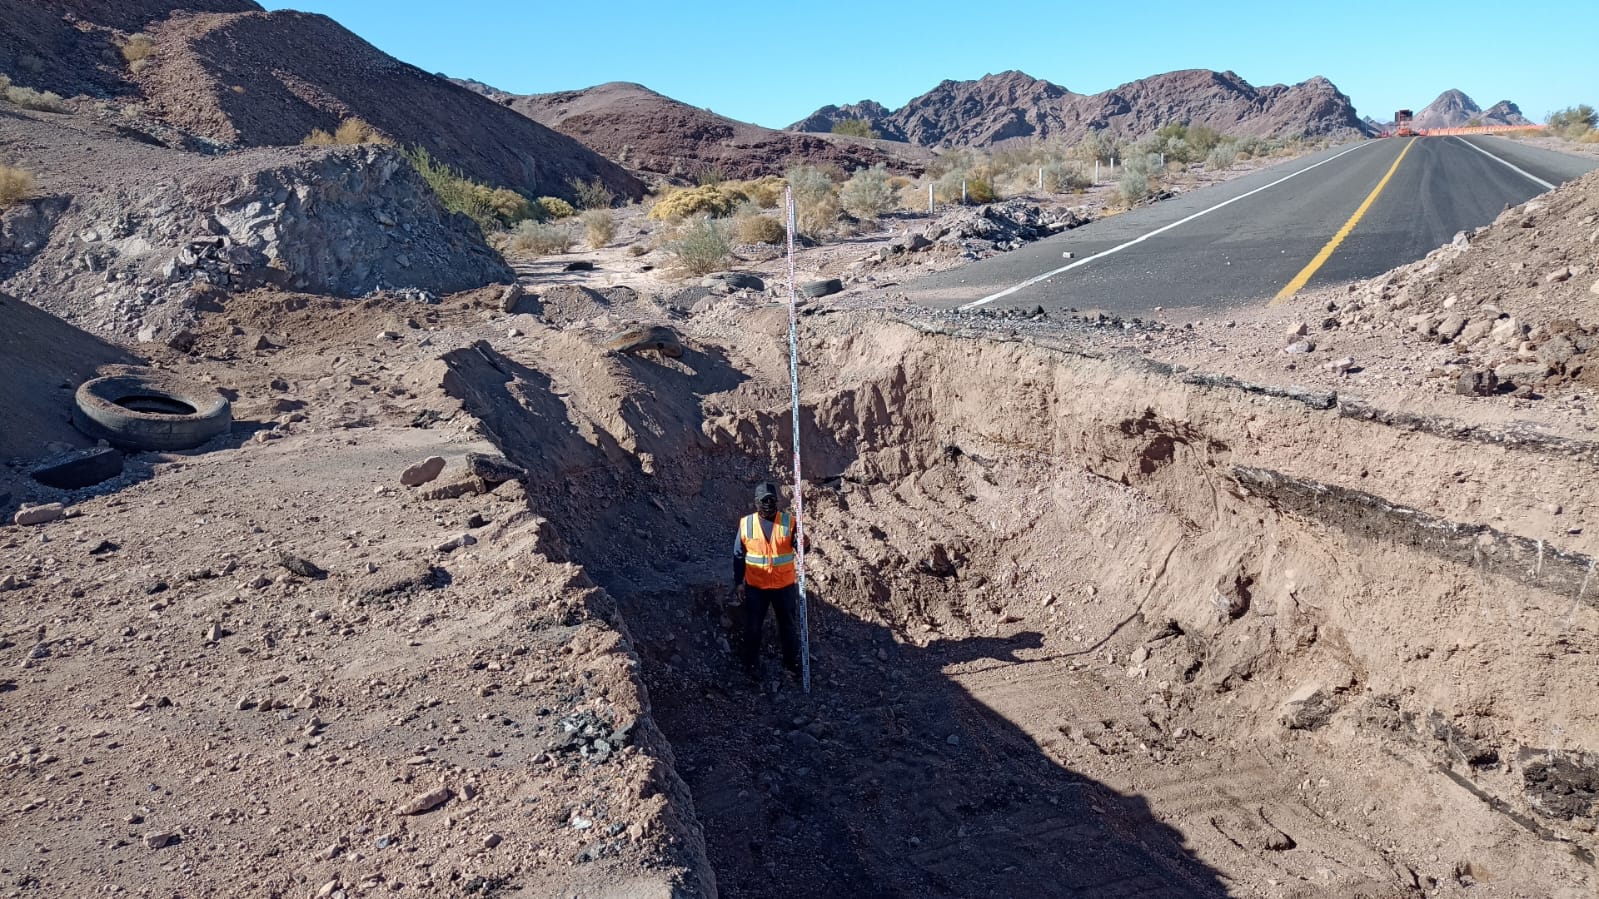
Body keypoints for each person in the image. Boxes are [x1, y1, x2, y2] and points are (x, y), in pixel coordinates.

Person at [732, 481, 804, 679]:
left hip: (784, 586)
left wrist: (803, 541)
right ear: (756, 502)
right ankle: (751, 665)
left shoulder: (789, 522)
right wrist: (739, 582)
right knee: (753, 627)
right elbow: (738, 555)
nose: (768, 504)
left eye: (772, 500)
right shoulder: (746, 524)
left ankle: (792, 663)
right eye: (764, 501)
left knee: (788, 627)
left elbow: (802, 549)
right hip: (757, 587)